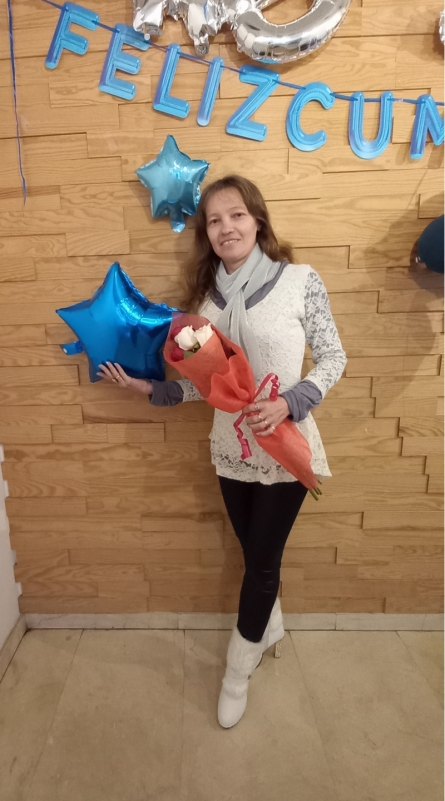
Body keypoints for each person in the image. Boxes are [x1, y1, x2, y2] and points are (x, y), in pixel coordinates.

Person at [98, 175, 347, 729]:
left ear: (257, 220)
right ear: (206, 233)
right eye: (214, 220)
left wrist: (289, 403)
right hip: (230, 451)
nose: (226, 227)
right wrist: (147, 388)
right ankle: (271, 626)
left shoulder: (300, 280)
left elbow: (334, 357)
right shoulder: (205, 304)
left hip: (285, 449)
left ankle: (238, 669)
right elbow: (203, 387)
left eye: (236, 215)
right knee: (255, 556)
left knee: (262, 563)